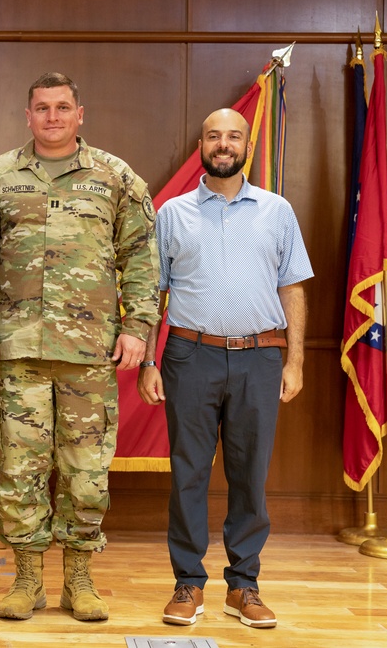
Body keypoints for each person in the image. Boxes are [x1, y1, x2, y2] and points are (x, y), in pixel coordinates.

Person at [0, 72, 160, 622]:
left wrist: (138, 327)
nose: (52, 116)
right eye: (42, 108)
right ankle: (27, 579)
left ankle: (79, 578)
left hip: (91, 353)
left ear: (80, 114)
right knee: (18, 468)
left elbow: (143, 256)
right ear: (28, 116)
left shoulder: (115, 177)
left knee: (86, 469)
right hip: (17, 350)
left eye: (63, 107)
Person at [137, 108, 313, 630]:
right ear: (202, 145)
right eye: (214, 136)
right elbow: (154, 293)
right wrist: (149, 360)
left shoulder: (277, 211)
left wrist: (295, 359)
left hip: (260, 356)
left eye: (233, 136)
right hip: (190, 356)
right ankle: (188, 583)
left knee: (250, 475)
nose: (223, 144)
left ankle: (245, 586)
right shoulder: (171, 214)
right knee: (188, 472)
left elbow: (293, 287)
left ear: (246, 146)